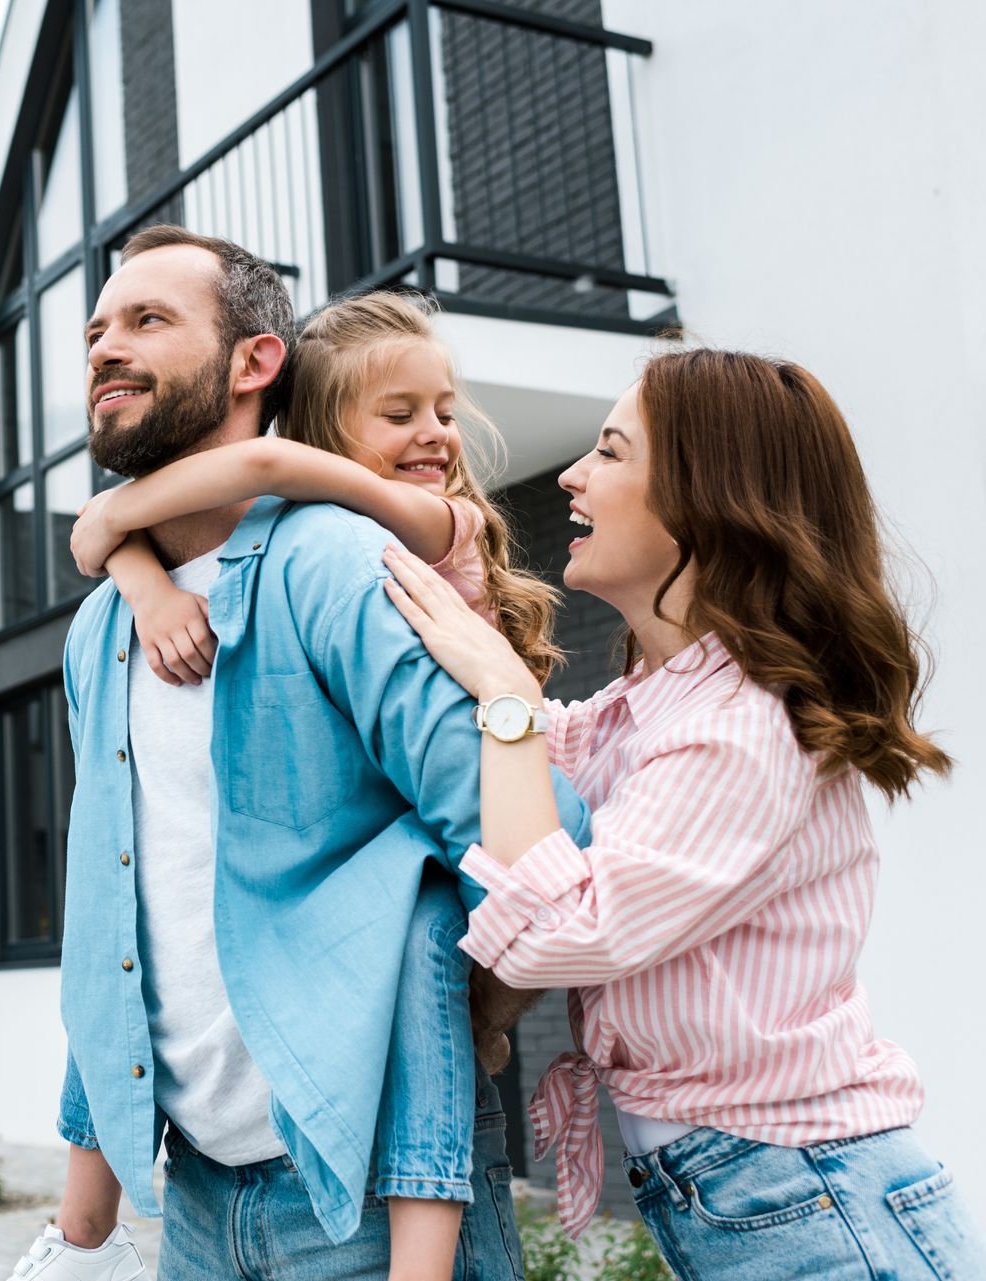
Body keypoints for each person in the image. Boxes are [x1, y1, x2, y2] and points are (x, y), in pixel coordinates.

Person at [10, 225, 588, 1281]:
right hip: (193, 1204)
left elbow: (523, 835)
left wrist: (473, 1021)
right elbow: (115, 929)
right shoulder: (100, 629)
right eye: (95, 329)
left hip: (372, 1205)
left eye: (147, 320)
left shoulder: (336, 563)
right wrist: (76, 1230)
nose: (102, 346)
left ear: (254, 363)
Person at [379, 348, 983, 1278]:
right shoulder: (656, 702)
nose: (573, 476)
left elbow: (553, 929)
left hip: (809, 1200)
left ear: (709, 499)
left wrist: (501, 689)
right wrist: (465, 608)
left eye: (612, 453)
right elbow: (539, 758)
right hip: (769, 1192)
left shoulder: (743, 726)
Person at [67, 289, 560, 1079]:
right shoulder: (291, 533)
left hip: (476, 811)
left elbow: (264, 460)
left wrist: (109, 514)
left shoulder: (439, 520)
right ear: (331, 434)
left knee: (455, 1013)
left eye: (442, 409)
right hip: (386, 838)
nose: (435, 432)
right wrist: (142, 579)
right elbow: (135, 538)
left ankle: (487, 1021)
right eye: (399, 415)